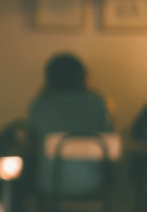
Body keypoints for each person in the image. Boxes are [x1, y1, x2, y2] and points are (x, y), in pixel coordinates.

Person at [28, 52, 113, 198]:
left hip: (51, 184)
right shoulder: (97, 104)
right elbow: (108, 137)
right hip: (91, 183)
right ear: (83, 76)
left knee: (24, 174)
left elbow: (32, 136)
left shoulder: (40, 105)